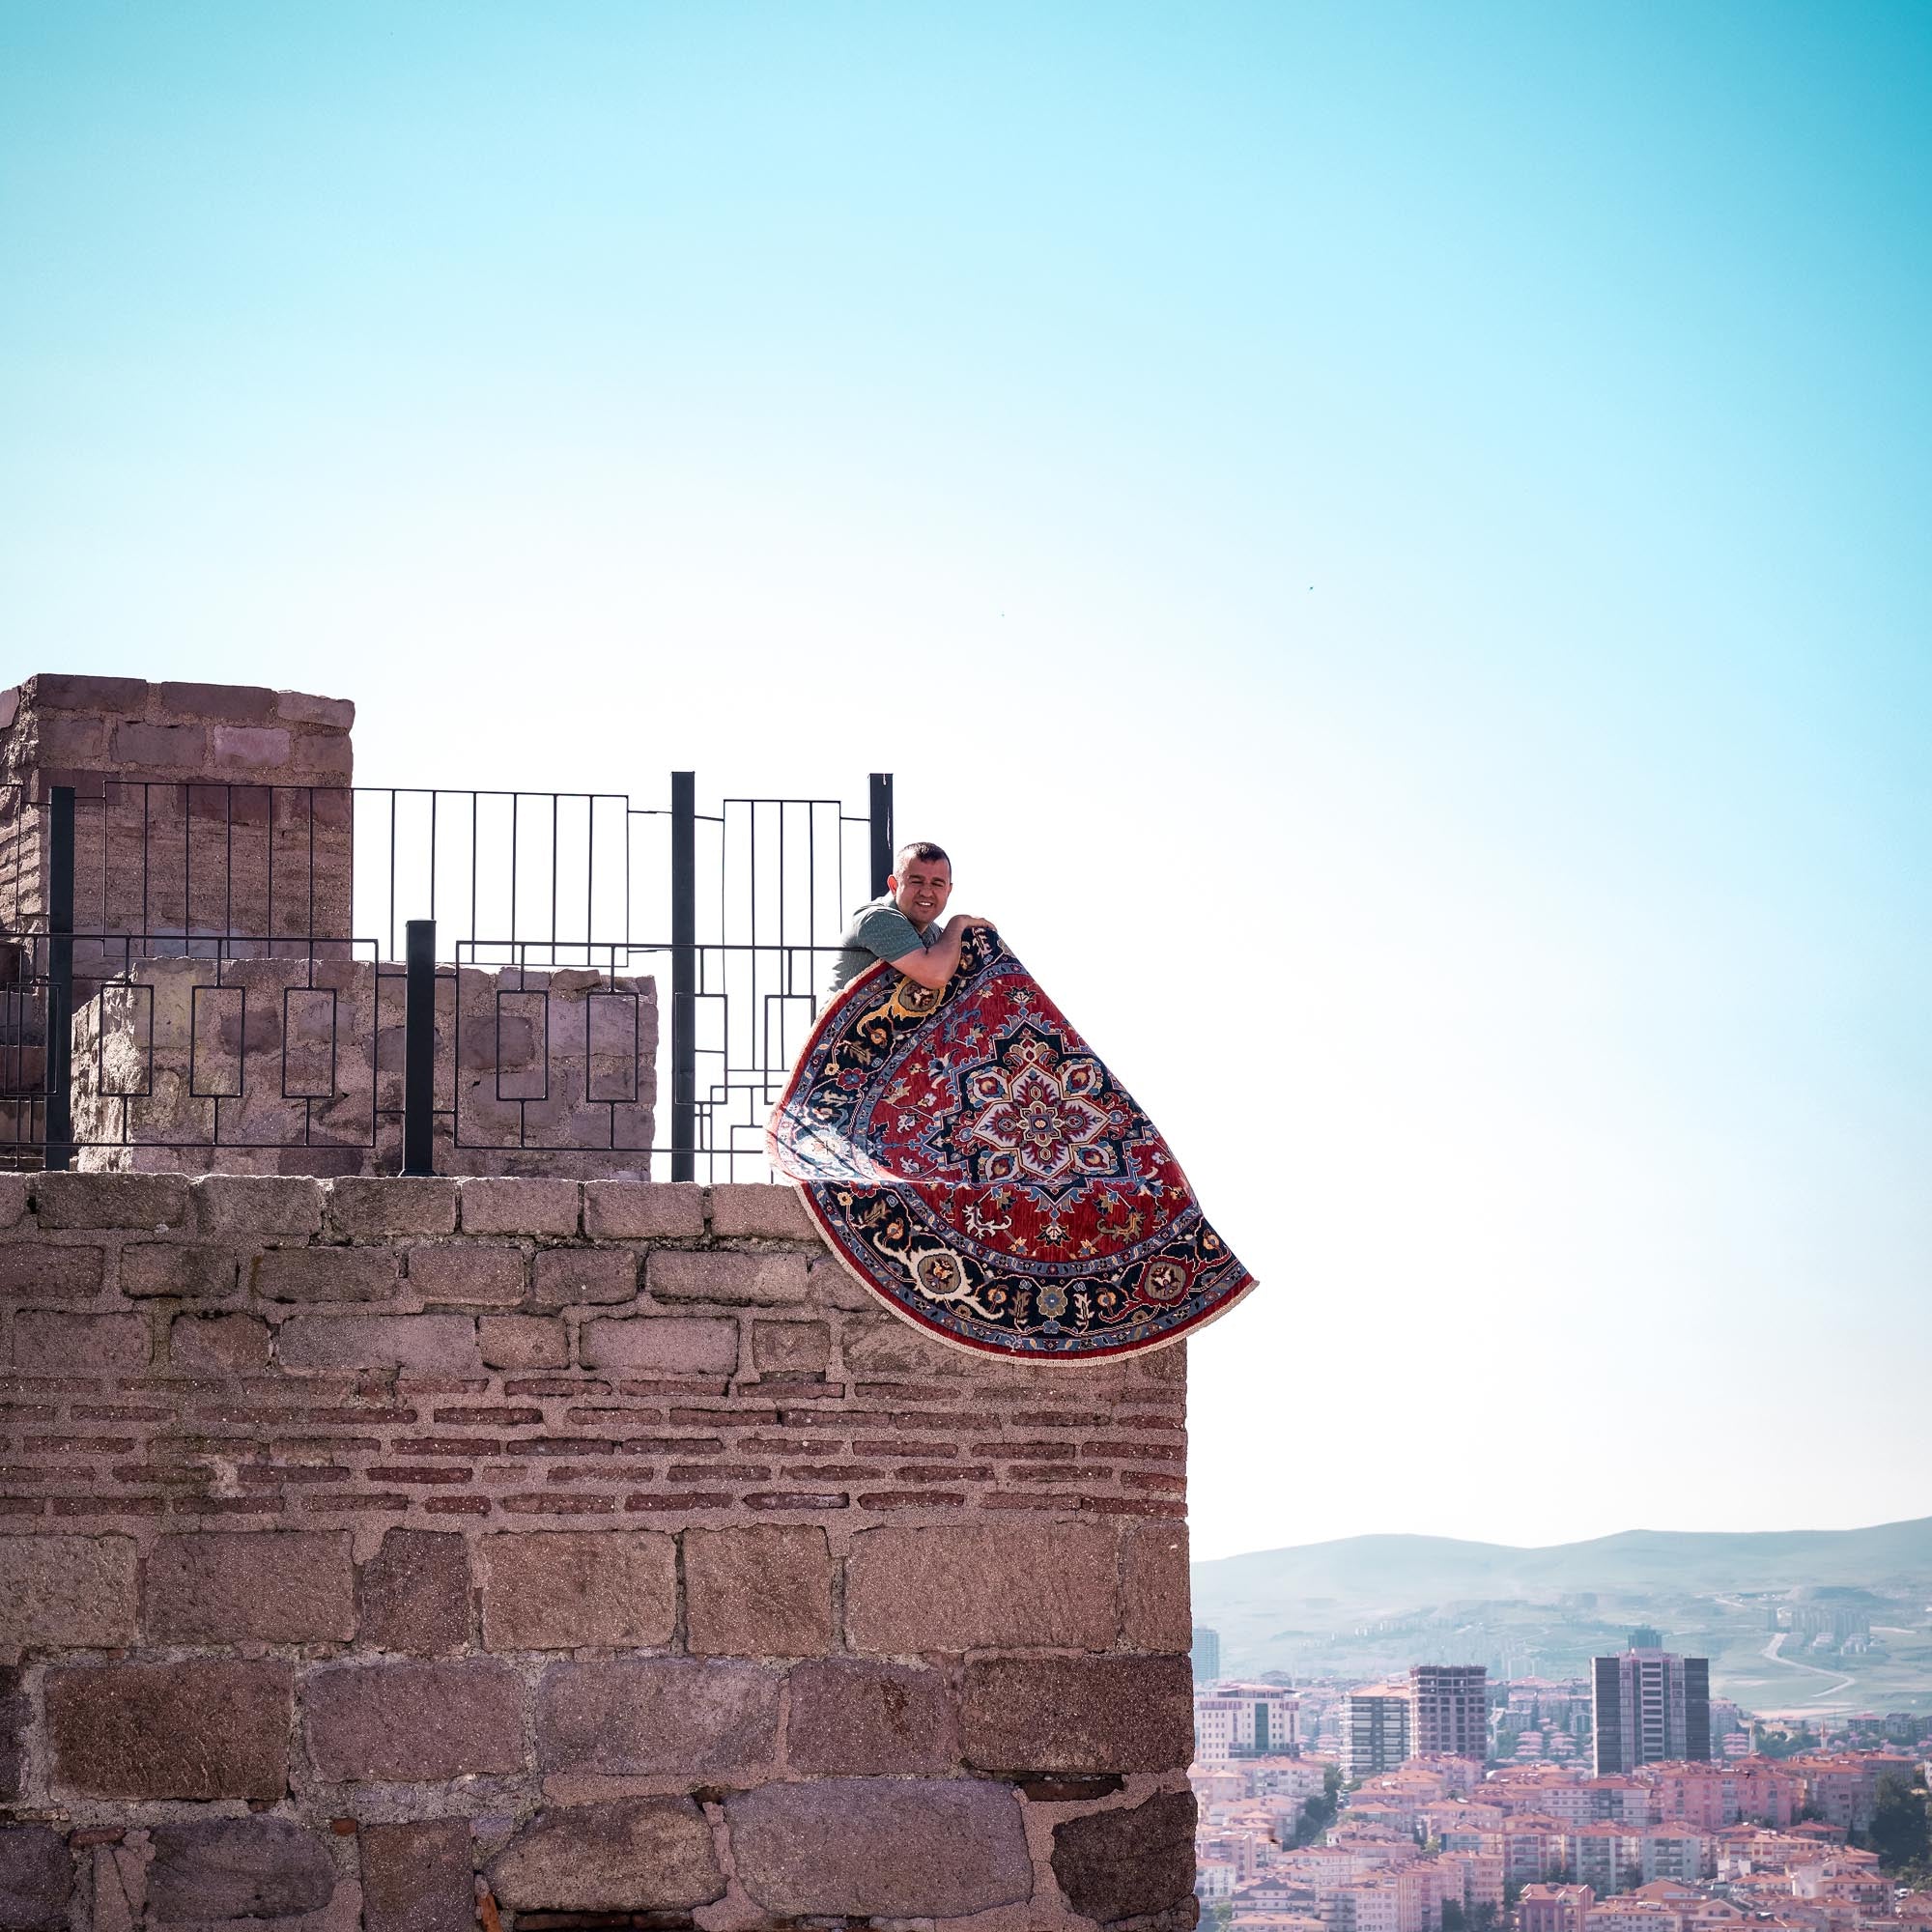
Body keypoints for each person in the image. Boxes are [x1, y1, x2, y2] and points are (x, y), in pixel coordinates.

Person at [826, 840, 985, 995]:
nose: (927, 892)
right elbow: (935, 975)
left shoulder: (933, 932)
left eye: (937, 884)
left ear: (948, 890)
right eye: (916, 881)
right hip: (851, 1022)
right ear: (894, 885)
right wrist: (957, 923)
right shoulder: (877, 918)